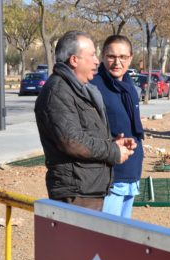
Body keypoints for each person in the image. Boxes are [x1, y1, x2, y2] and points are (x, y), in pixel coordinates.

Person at [34, 30, 135, 211]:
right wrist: (112, 151)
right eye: (92, 55)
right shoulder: (58, 92)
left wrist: (113, 142)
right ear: (74, 60)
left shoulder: (79, 89)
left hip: (89, 189)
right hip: (76, 193)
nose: (97, 61)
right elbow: (72, 141)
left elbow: (85, 134)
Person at [90, 35, 145, 218]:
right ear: (103, 56)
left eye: (123, 57)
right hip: (110, 175)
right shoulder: (94, 86)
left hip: (131, 171)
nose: (117, 62)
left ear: (130, 58)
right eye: (111, 56)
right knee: (107, 235)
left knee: (123, 234)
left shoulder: (129, 85)